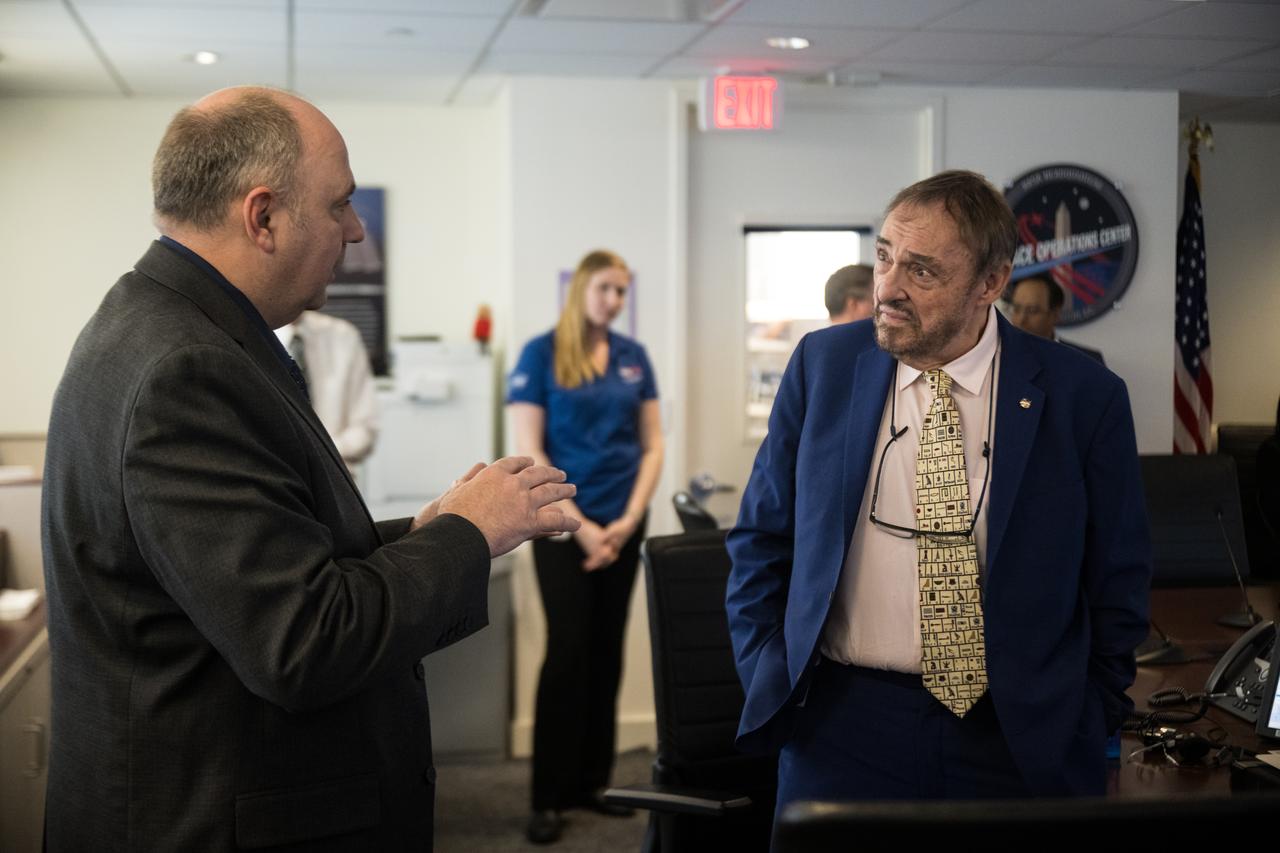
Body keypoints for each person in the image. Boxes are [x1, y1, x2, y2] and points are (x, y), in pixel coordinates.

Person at [41, 86, 579, 852]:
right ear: (262, 217)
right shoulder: (186, 369)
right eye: (339, 206)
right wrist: (468, 531)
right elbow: (304, 641)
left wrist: (421, 532)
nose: (356, 231)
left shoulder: (170, 327)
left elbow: (272, 555)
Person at [725, 170, 1150, 807]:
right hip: (840, 728)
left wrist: (1090, 711)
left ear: (991, 283)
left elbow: (1118, 573)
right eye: (885, 258)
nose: (888, 289)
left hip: (1017, 738)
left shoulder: (1082, 396)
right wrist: (769, 667)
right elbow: (762, 537)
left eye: (922, 272)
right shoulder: (824, 366)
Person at [507, 249, 664, 844]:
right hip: (560, 524)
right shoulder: (540, 353)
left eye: (623, 291)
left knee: (607, 652)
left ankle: (594, 783)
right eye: (606, 289)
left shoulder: (633, 357)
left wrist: (626, 520)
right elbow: (530, 449)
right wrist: (586, 526)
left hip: (624, 524)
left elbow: (652, 445)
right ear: (581, 291)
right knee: (568, 651)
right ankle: (549, 796)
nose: (615, 302)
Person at [275, 309, 379, 471]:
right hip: (274, 479)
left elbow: (365, 429)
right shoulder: (248, 337)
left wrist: (318, 454)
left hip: (336, 477)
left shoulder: (342, 335)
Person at [1006, 275, 1106, 364]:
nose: (1021, 320)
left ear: (1055, 315)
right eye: (1016, 309)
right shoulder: (998, 357)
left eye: (1032, 311)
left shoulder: (1089, 362)